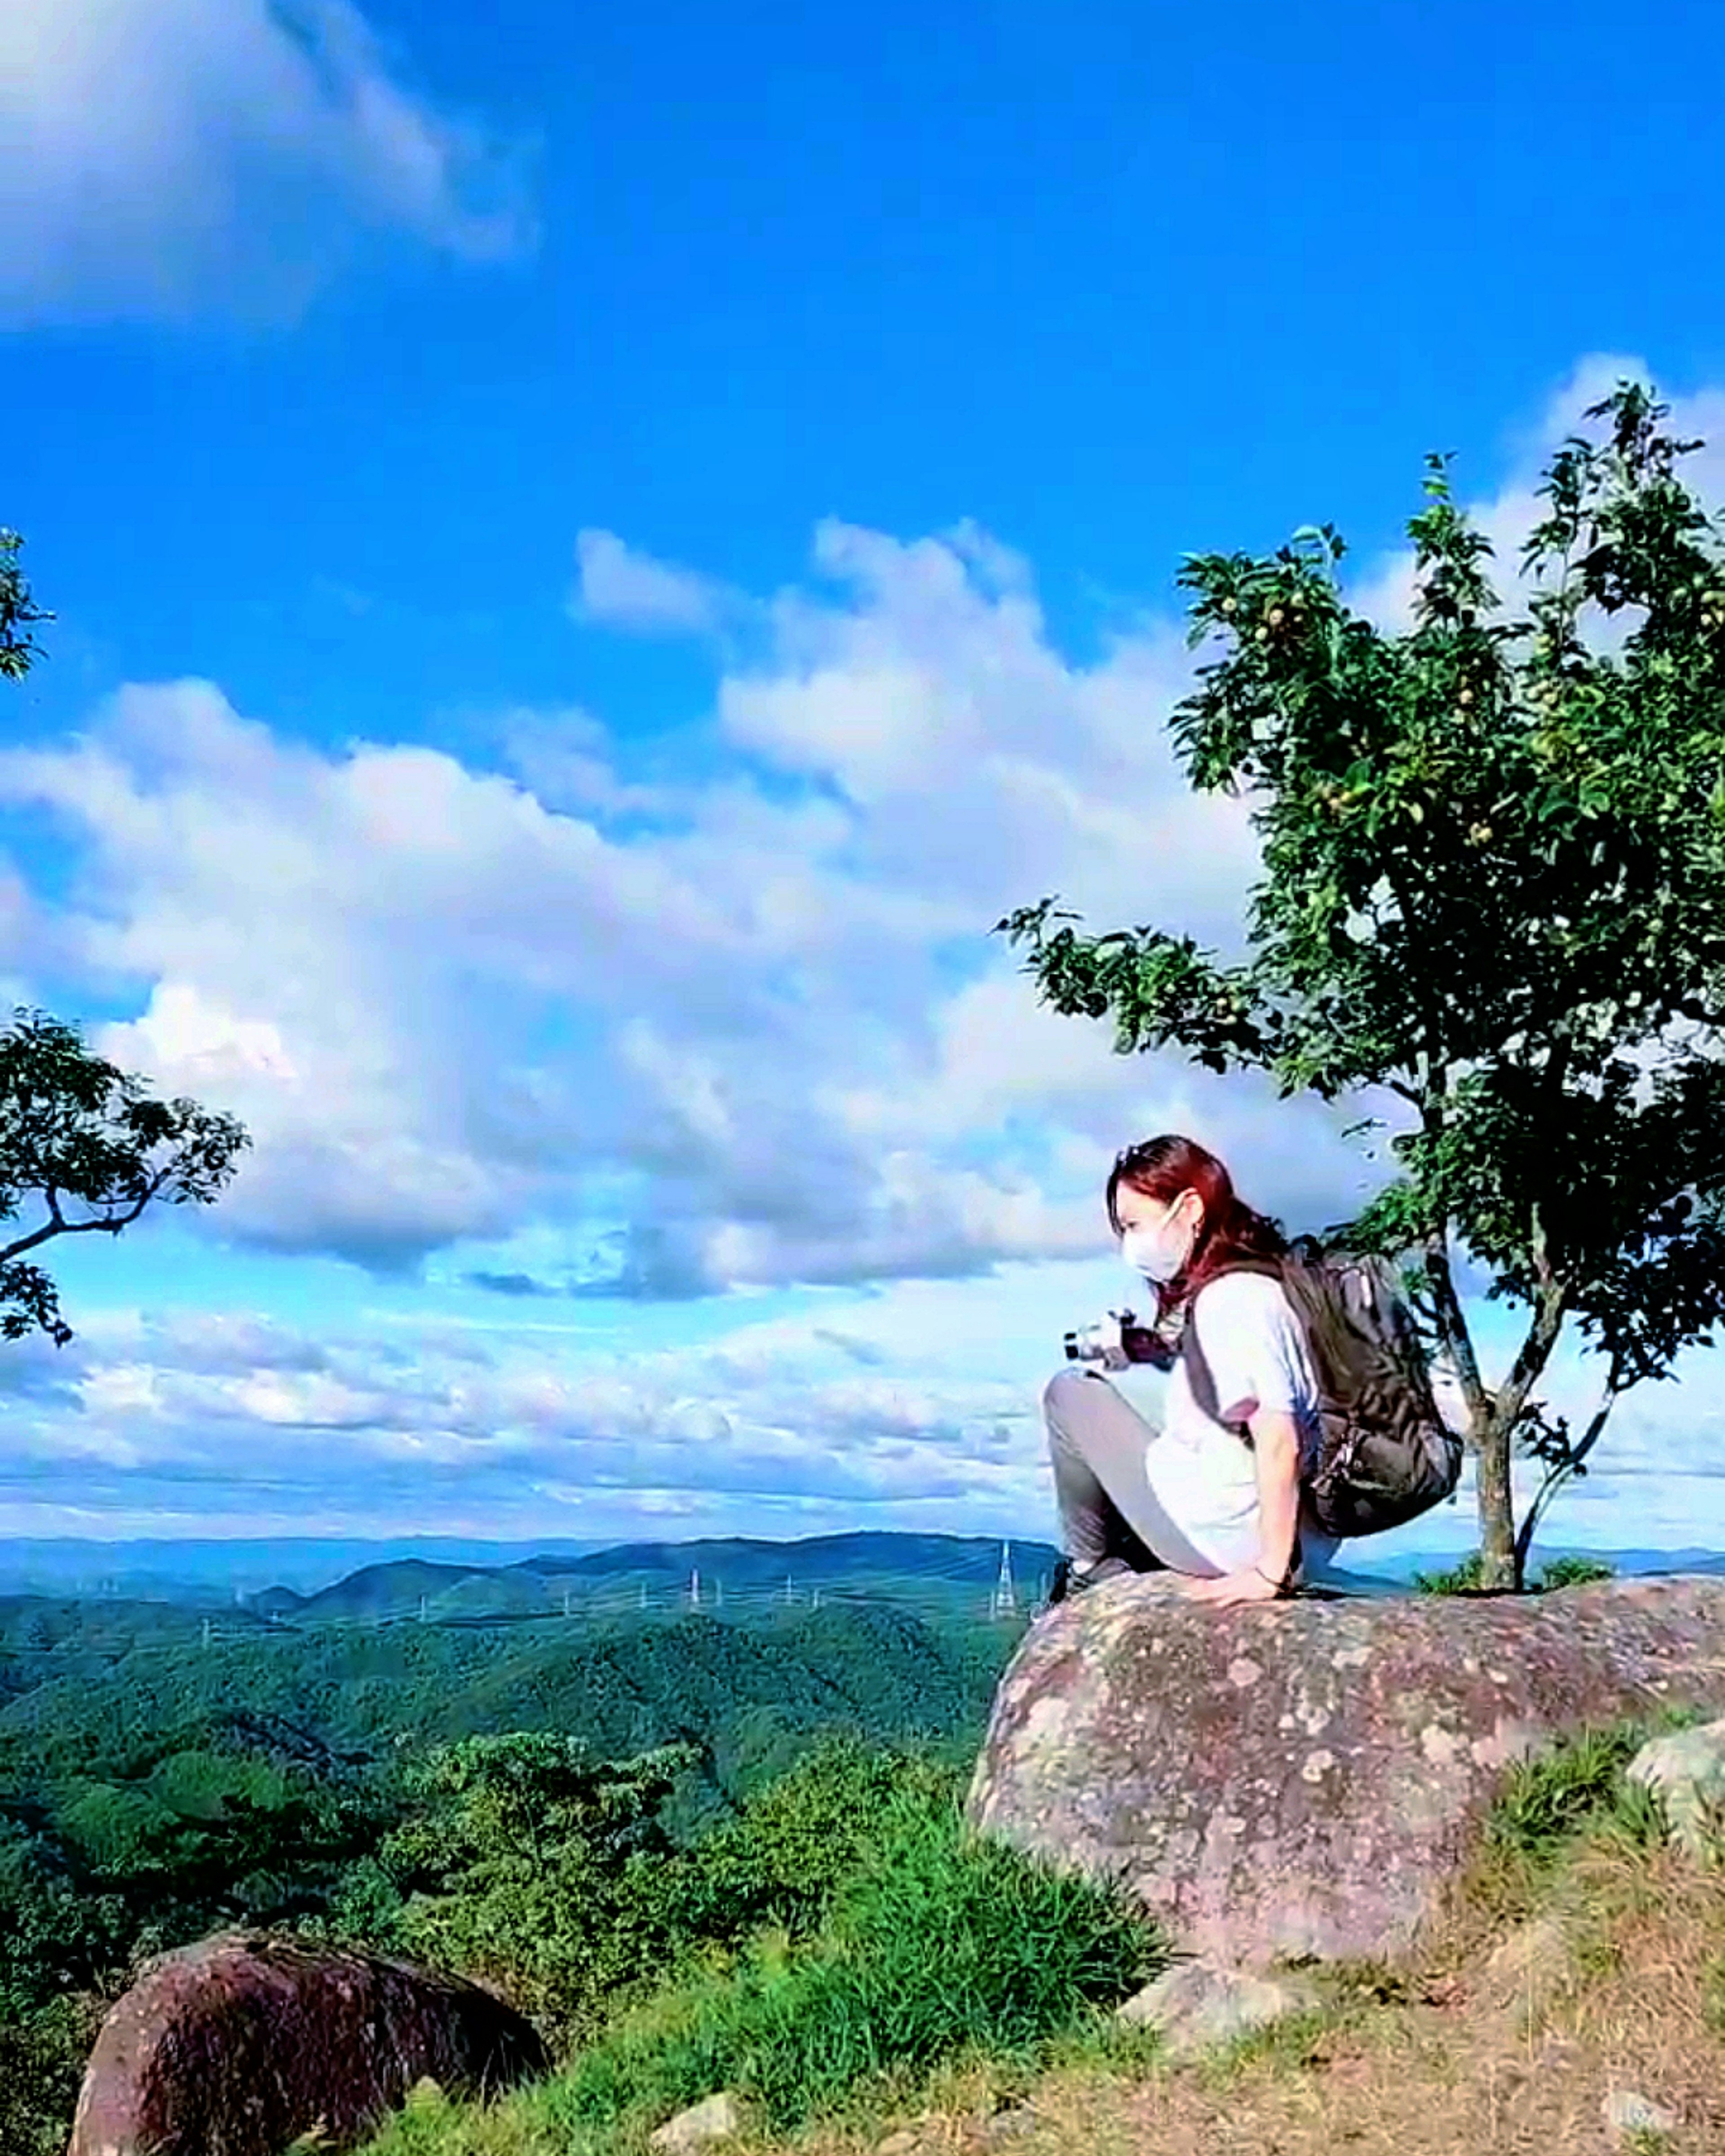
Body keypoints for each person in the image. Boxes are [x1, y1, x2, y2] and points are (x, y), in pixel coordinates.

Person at [1042, 1133, 1340, 1607]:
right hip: (1312, 1541)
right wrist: (1158, 1353)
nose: (1131, 1245)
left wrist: (1269, 1572)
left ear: (1190, 1209)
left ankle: (1089, 1568)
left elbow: (1279, 1437)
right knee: (1154, 1414)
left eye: (1134, 1224)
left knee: (1070, 1393)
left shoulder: (1232, 1297)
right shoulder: (1277, 1282)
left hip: (1229, 1539)